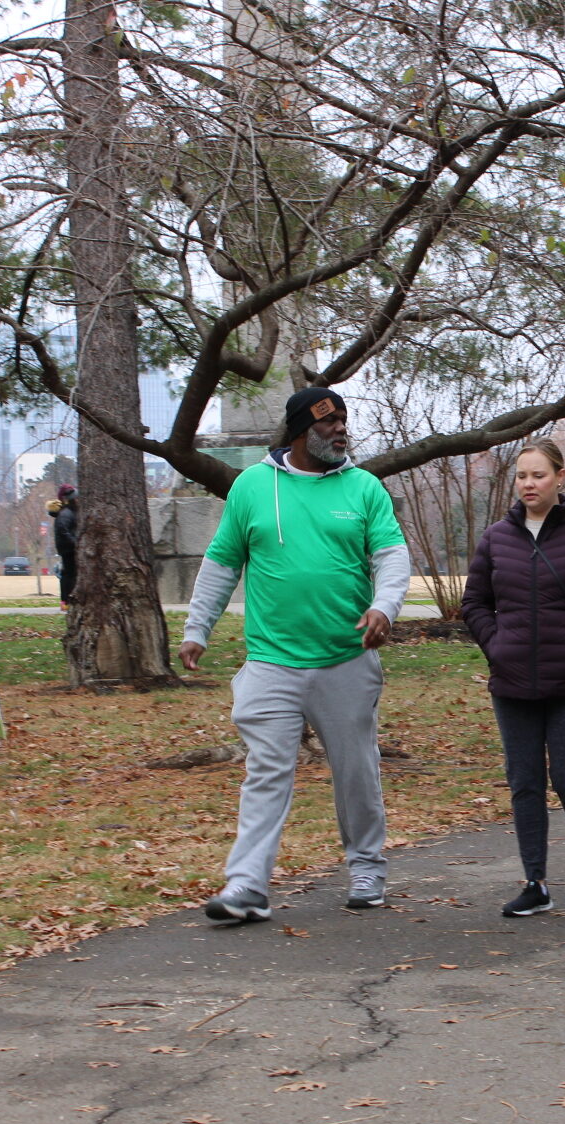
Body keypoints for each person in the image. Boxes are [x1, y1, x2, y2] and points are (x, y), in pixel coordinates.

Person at [179, 387, 411, 924]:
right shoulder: (252, 487)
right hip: (271, 660)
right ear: (300, 430)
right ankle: (246, 885)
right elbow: (222, 563)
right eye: (328, 423)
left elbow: (391, 556)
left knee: (356, 771)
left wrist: (384, 607)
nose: (340, 430)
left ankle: (367, 867)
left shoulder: (363, 488)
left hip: (345, 658)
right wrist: (197, 629)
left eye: (344, 421)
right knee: (265, 772)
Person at [461, 439, 565, 917]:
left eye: (538, 475)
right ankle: (535, 882)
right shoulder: (497, 538)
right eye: (522, 476)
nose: (529, 484)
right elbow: (474, 603)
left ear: (559, 477)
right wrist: (497, 646)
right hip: (513, 682)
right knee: (525, 783)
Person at [52, 485, 79, 611]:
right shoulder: (66, 514)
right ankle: (66, 601)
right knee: (69, 574)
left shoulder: (68, 512)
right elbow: (63, 530)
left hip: (68, 547)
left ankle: (66, 600)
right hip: (68, 549)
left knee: (68, 574)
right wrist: (75, 543)